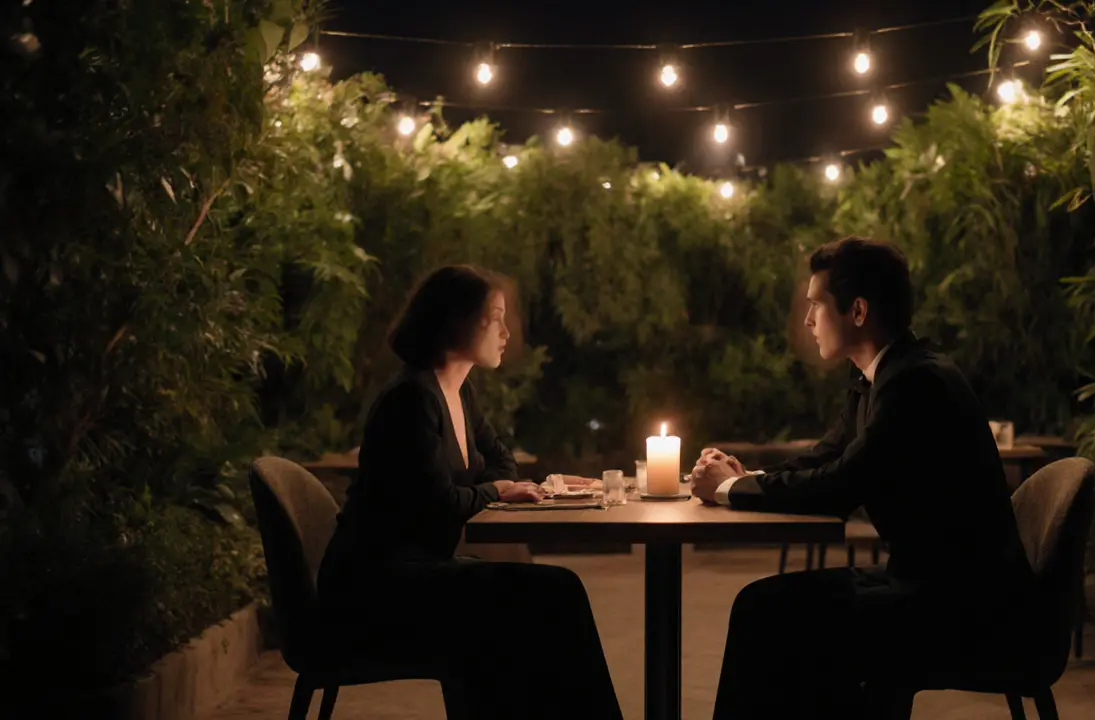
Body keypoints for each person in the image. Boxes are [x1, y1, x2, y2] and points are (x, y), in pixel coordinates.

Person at [691, 237, 1036, 718]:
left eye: (816, 305)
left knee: (767, 614)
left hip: (964, 609)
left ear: (857, 311)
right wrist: (745, 476)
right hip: (926, 586)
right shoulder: (878, 377)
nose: (808, 320)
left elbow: (841, 484)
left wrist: (728, 489)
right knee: (765, 608)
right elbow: (825, 458)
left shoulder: (916, 384)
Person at [318, 265, 622, 719]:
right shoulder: (411, 400)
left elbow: (503, 464)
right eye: (494, 317)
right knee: (552, 593)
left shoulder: (459, 394)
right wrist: (494, 490)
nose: (505, 332)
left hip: (420, 571)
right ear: (455, 320)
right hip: (376, 588)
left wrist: (492, 486)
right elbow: (438, 507)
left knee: (550, 595)